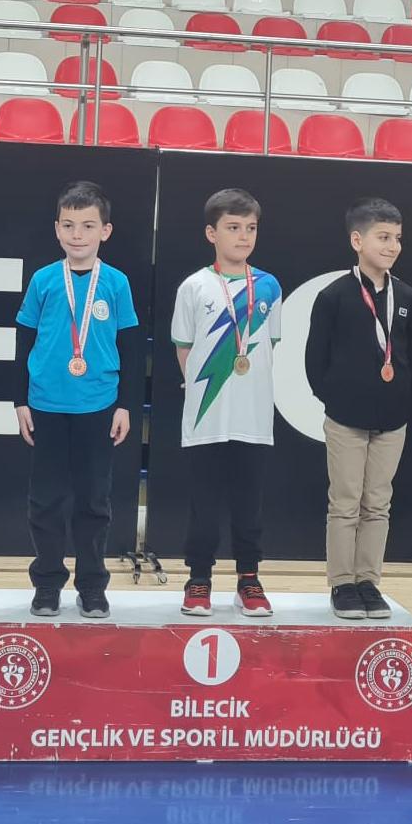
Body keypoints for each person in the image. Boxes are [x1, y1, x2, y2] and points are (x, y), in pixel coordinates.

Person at [12, 181, 142, 619]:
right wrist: (19, 400)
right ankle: (47, 584)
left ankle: (92, 585)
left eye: (87, 226)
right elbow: (24, 340)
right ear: (56, 229)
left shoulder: (117, 283)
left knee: (93, 501)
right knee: (45, 500)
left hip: (98, 406)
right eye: (68, 225)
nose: (77, 234)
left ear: (105, 231)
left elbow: (131, 346)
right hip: (46, 405)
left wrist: (125, 404)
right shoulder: (44, 280)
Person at [304, 197, 412, 619]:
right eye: (383, 237)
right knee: (346, 502)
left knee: (378, 503)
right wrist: (336, 398)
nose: (392, 246)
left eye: (398, 238)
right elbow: (314, 359)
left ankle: (368, 581)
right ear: (357, 241)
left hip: (392, 420)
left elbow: (410, 356)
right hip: (346, 419)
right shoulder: (334, 296)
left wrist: (399, 397)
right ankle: (342, 584)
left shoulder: (408, 297)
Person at [171, 188, 283, 618]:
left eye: (250, 228)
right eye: (233, 228)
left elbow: (269, 343)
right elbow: (184, 346)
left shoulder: (269, 285)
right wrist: (203, 389)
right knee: (203, 505)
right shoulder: (194, 286)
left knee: (249, 505)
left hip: (253, 416)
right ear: (211, 233)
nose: (243, 236)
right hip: (207, 416)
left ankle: (248, 579)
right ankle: (198, 578)